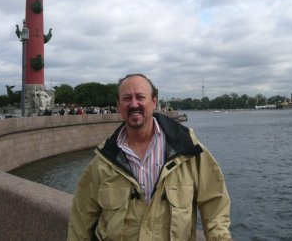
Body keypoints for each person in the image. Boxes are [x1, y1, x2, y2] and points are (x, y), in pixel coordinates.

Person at [67, 74, 232, 240]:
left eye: (140, 97)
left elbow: (215, 206)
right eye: (126, 98)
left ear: (154, 101)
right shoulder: (103, 161)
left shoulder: (188, 151)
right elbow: (81, 217)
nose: (134, 104)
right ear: (118, 105)